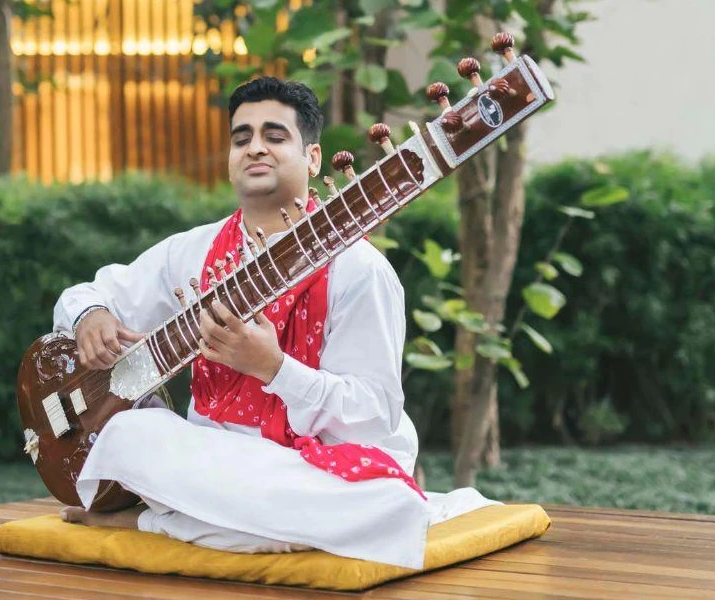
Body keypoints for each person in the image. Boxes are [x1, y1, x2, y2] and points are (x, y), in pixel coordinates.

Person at [50, 77, 495, 570]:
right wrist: (91, 316)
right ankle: (241, 523)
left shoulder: (360, 270)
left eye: (275, 136)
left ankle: (158, 520)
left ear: (314, 159)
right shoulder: (192, 252)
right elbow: (86, 293)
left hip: (310, 471)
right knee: (132, 435)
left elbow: (374, 415)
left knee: (386, 507)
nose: (255, 148)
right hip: (215, 463)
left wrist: (274, 368)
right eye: (242, 138)